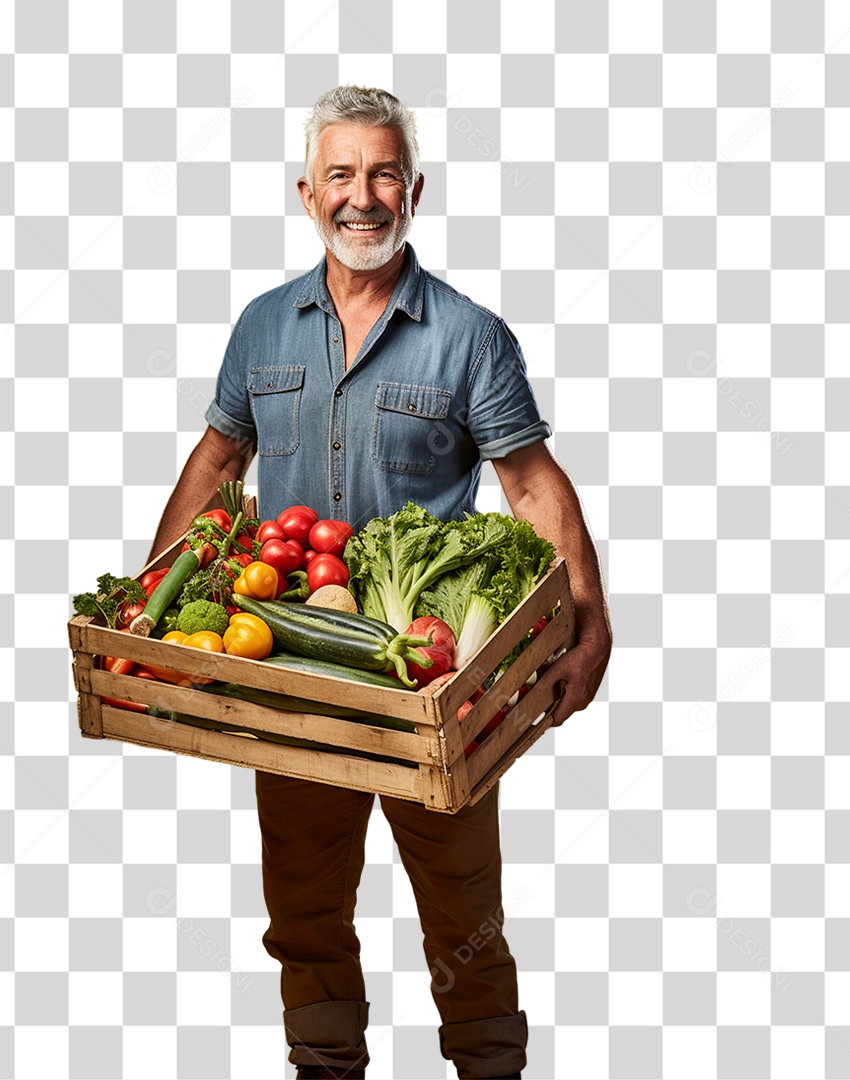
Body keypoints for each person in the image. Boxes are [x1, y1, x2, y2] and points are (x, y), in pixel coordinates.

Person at [145, 86, 612, 1080]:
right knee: (305, 904)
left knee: (461, 905)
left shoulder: (468, 334)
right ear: (307, 191)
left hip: (431, 678)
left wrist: (591, 620)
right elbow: (219, 461)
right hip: (289, 661)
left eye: (386, 172)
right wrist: (151, 608)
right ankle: (326, 1067)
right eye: (344, 174)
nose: (366, 196)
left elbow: (529, 483)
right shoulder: (262, 327)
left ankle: (488, 1062)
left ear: (417, 190)